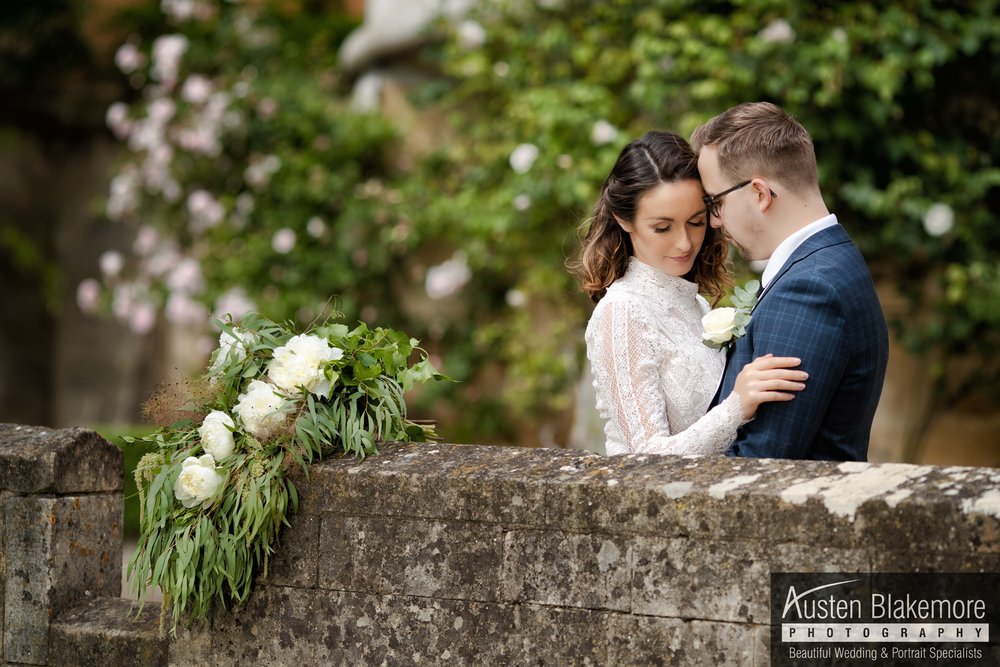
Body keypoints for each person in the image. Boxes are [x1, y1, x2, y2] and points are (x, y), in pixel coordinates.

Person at [573, 130, 809, 456]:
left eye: (696, 222)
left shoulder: (696, 303)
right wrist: (736, 407)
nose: (685, 243)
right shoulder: (622, 311)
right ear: (623, 220)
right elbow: (646, 457)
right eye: (662, 227)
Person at [692, 102, 889, 461]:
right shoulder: (836, 259)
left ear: (759, 194)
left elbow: (762, 465)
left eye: (714, 202)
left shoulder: (808, 291)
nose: (715, 222)